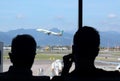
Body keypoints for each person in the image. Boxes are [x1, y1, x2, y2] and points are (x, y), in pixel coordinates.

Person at [52, 26, 120, 81]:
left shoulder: (62, 79)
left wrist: (65, 71)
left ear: (73, 50)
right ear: (97, 52)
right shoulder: (114, 76)